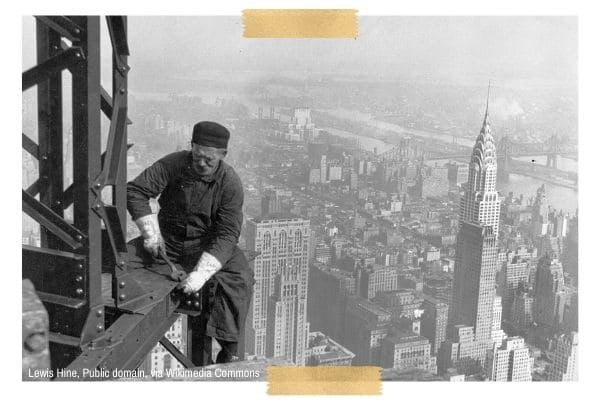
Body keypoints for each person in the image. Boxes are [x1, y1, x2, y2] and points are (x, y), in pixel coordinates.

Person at [126, 121, 254, 365]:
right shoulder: (173, 163)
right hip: (168, 241)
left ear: (223, 155)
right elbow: (136, 191)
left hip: (207, 246)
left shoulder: (230, 183)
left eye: (209, 159)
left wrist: (200, 275)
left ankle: (229, 347)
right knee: (121, 260)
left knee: (240, 277)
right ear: (191, 147)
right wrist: (151, 233)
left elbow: (227, 234)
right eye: (197, 156)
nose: (201, 163)